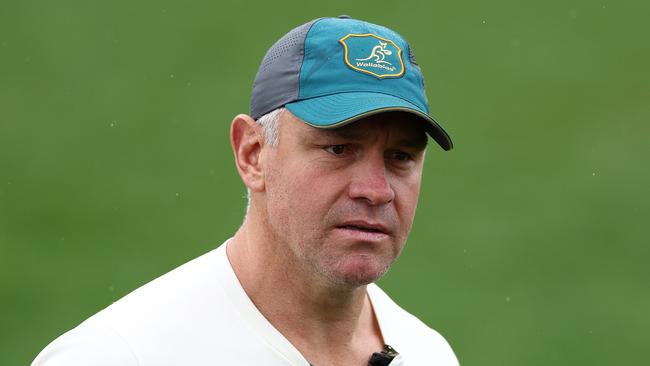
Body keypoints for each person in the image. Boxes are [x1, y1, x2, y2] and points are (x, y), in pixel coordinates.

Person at [32, 16, 459, 366]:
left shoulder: (429, 353)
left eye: (401, 157)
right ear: (253, 154)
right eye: (338, 148)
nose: (376, 190)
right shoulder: (117, 355)